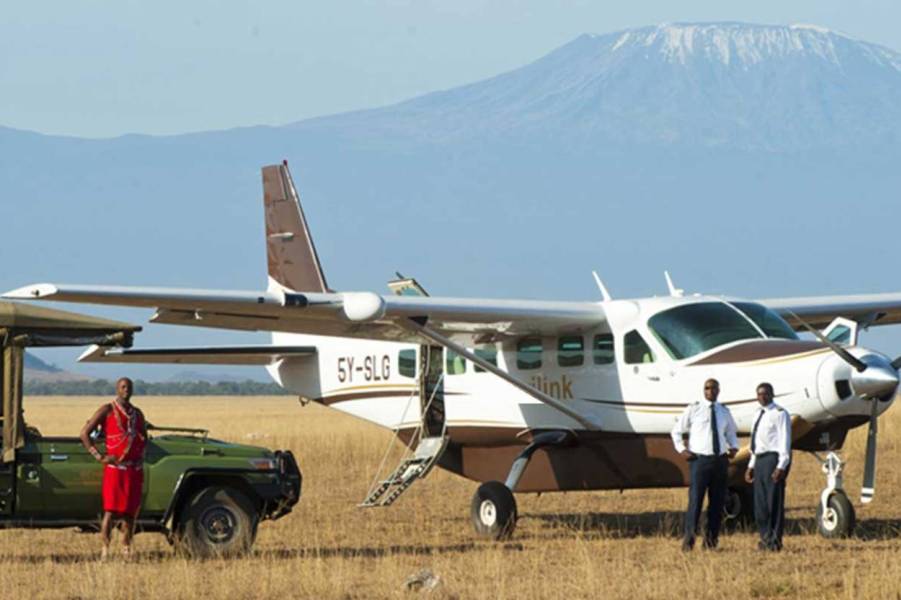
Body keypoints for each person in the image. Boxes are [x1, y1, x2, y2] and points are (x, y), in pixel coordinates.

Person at [80, 377, 148, 560]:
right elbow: (84, 434)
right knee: (110, 511)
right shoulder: (107, 410)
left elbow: (144, 436)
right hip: (114, 469)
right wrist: (99, 456)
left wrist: (140, 455)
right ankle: (105, 550)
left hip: (133, 470)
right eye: (123, 387)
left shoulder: (137, 414)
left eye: (129, 387)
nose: (127, 390)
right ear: (117, 389)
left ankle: (126, 548)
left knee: (130, 512)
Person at [671, 378, 738, 551]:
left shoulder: (723, 411)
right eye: (707, 388)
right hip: (700, 461)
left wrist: (734, 446)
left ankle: (710, 542)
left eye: (714, 388)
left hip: (720, 461)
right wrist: (681, 449)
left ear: (719, 390)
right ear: (703, 390)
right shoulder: (694, 409)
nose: (710, 391)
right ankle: (689, 542)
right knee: (695, 502)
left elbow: (731, 431)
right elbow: (676, 431)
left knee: (717, 503)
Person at [744, 382, 792, 551]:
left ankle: (775, 541)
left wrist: (781, 467)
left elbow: (784, 442)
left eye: (765, 394)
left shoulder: (780, 414)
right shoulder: (758, 413)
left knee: (774, 503)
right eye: (759, 394)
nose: (762, 397)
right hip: (760, 460)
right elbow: (755, 443)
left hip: (773, 459)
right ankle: (764, 538)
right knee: (760, 506)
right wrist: (751, 465)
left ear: (772, 394)